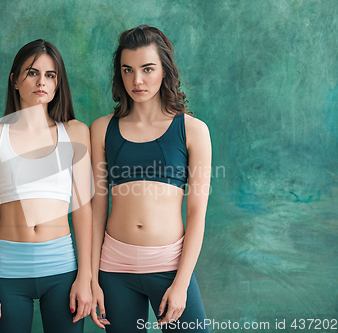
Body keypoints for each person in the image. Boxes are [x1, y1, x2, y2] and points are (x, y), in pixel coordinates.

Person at [90, 25, 212, 332]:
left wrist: (182, 283)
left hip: (170, 266)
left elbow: (197, 213)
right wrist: (92, 278)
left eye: (147, 69)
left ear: (165, 70)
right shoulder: (102, 129)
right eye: (128, 70)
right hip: (114, 268)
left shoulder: (193, 130)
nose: (137, 80)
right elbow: (97, 209)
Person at [0, 39, 92, 333]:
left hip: (62, 270)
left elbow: (83, 211)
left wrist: (85, 277)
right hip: (7, 272)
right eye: (32, 72)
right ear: (15, 81)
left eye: (50, 75)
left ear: (57, 83)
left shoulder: (76, 132)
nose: (42, 82)